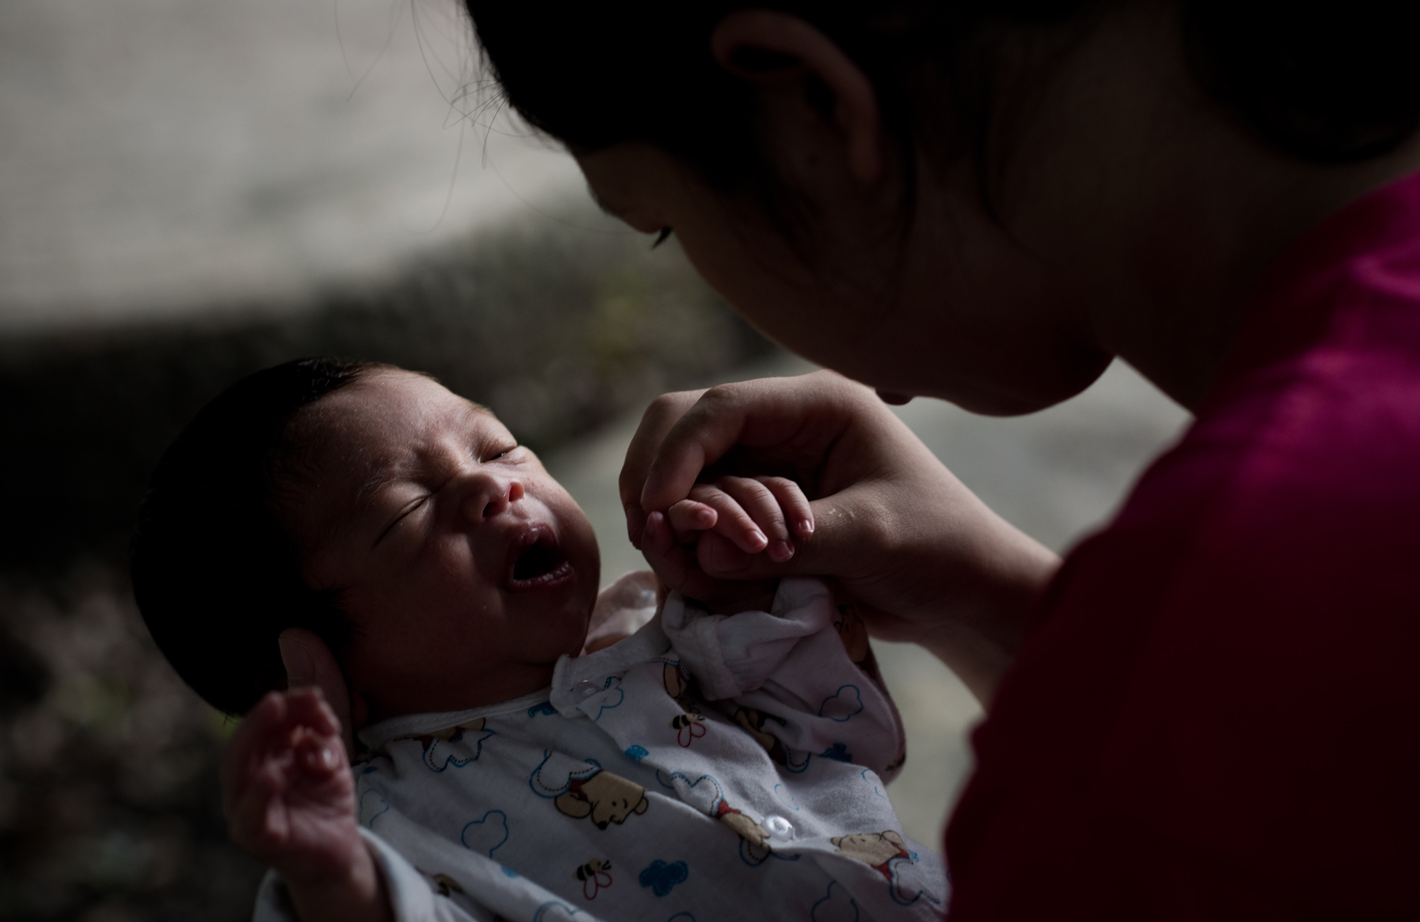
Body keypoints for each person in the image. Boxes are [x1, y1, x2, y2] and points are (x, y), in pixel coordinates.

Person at [450, 0, 1420, 917]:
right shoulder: (1218, 671)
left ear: (814, 105)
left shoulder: (1184, 708)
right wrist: (998, 602)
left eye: (666, 224)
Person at [131, 358, 946, 922]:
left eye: (496, 445)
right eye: (408, 511)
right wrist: (333, 875)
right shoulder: (387, 825)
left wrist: (753, 587)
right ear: (311, 669)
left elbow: (855, 742)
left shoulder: (679, 640)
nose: (496, 484)